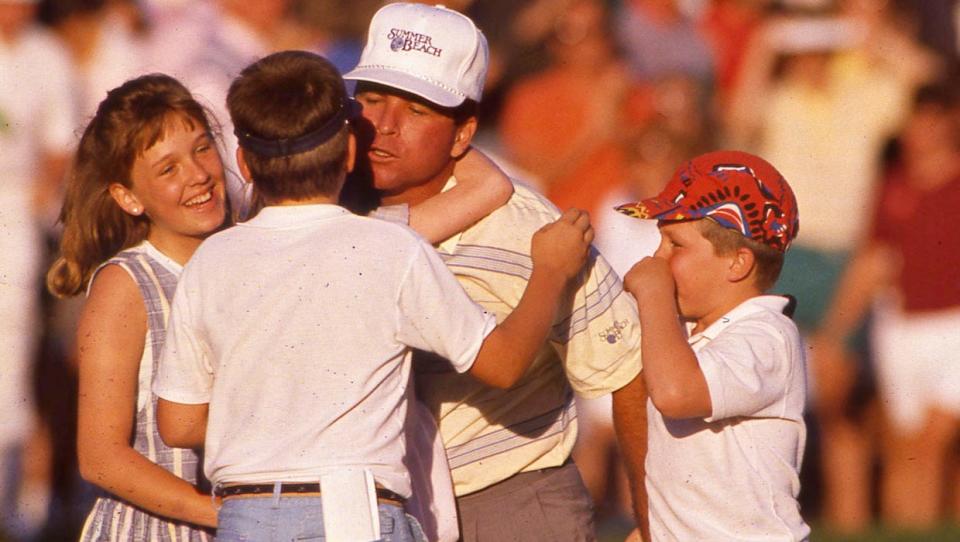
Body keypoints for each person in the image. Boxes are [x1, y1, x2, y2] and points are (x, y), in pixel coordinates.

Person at [152, 50, 594, 542]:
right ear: (348, 153)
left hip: (244, 515)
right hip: (352, 512)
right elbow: (504, 364)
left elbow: (179, 421)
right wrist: (550, 272)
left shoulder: (210, 261)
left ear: (244, 165)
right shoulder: (391, 249)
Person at [343, 4, 646, 540]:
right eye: (370, 99)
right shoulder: (320, 206)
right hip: (366, 505)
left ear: (463, 134)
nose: (383, 126)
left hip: (509, 501)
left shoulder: (528, 230)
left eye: (416, 111)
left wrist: (651, 523)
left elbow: (623, 370)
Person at [45, 74, 228, 540]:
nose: (198, 174)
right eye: (168, 169)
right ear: (127, 197)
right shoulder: (126, 285)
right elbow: (101, 457)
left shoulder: (245, 257)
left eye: (202, 148)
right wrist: (222, 514)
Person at [617, 150, 809, 541]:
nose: (657, 257)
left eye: (675, 245)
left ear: (737, 264)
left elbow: (676, 393)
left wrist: (653, 292)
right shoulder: (688, 339)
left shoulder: (767, 335)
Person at [811, 81, 960, 528]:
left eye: (935, 119)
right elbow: (872, 262)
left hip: (953, 325)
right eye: (918, 118)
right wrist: (835, 333)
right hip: (901, 327)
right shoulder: (892, 185)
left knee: (935, 441)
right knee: (905, 449)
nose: (924, 130)